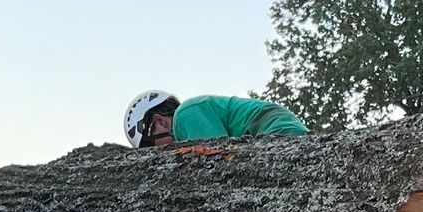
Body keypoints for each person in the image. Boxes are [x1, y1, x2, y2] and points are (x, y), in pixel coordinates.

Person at [124, 89, 308, 148]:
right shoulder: (192, 113)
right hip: (274, 128)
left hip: (274, 130)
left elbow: (216, 153)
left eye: (153, 144)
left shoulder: (185, 115)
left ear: (159, 121)